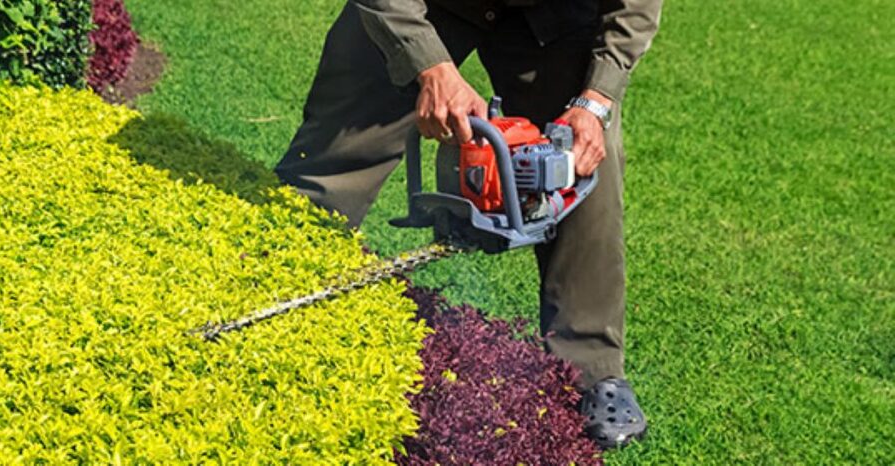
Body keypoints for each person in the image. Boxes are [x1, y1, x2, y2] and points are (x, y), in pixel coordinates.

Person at [274, 0, 662, 449]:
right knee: (331, 156)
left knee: (584, 160)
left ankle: (594, 370)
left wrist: (596, 99)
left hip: (552, 14)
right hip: (422, 5)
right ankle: (279, 275)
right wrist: (428, 64)